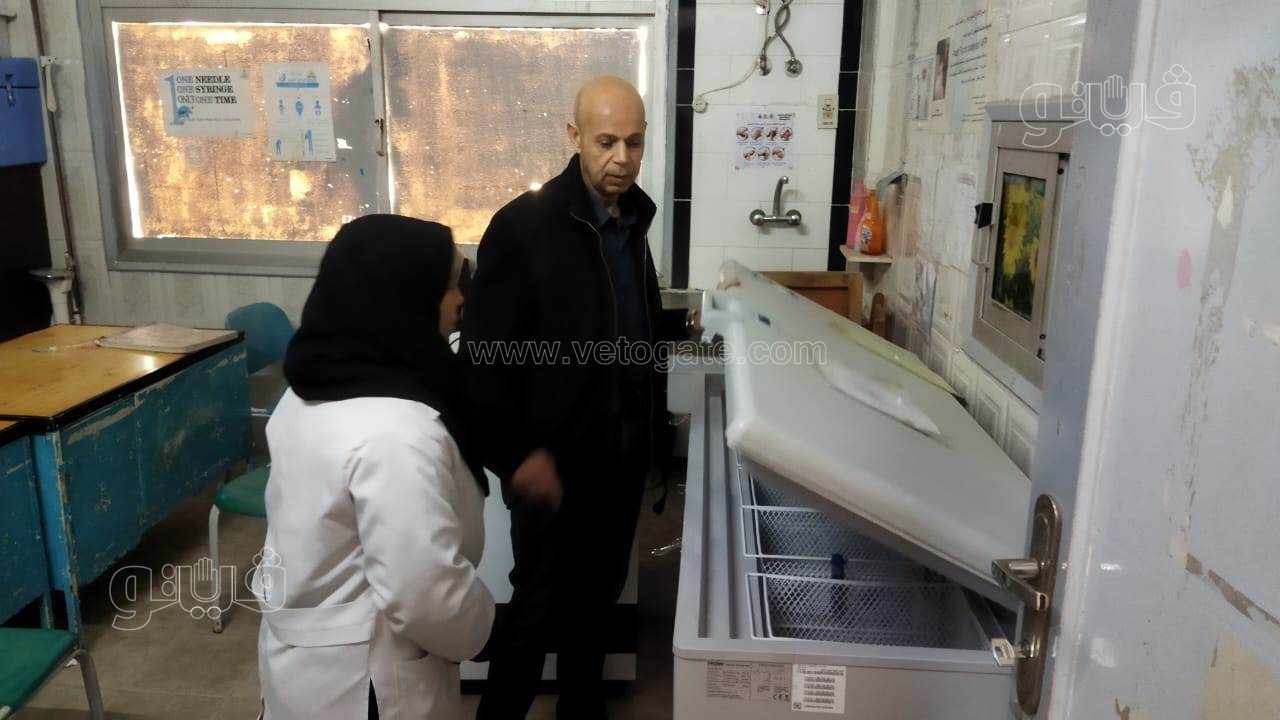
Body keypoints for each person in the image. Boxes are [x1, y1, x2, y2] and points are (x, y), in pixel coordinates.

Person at [463, 75, 683, 719]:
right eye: (606, 142)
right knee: (536, 609)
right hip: (551, 463)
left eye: (634, 143)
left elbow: (622, 323)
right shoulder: (524, 226)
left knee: (595, 605)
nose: (622, 158)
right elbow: (483, 360)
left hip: (619, 454)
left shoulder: (632, 219)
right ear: (574, 136)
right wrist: (517, 456)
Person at [254, 214, 494, 720]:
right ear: (403, 297)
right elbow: (424, 593)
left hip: (305, 662)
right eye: (448, 286)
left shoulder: (307, 391)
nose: (459, 299)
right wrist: (483, 627)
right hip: (369, 681)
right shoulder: (396, 433)